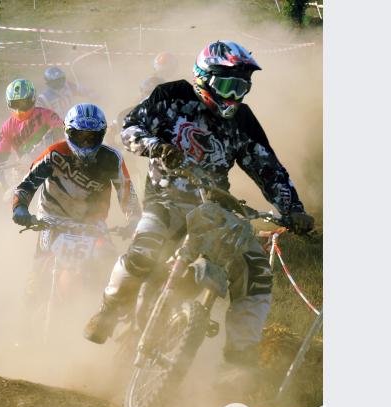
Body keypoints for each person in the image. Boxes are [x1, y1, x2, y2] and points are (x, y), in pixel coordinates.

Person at [83, 41, 315, 377]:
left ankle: (238, 366)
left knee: (257, 274)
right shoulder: (172, 95)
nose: (233, 96)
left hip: (214, 208)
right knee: (144, 251)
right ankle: (109, 309)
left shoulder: (243, 121)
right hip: (167, 198)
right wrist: (157, 147)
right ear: (203, 78)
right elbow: (128, 128)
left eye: (241, 87)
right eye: (226, 85)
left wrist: (294, 209)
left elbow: (269, 169)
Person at [12, 103, 141, 332]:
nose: (85, 143)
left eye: (92, 137)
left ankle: (115, 321)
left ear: (101, 136)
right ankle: (21, 326)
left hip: (92, 224)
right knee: (36, 274)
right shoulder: (54, 153)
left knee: (110, 266)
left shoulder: (112, 159)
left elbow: (127, 194)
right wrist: (20, 207)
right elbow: (27, 184)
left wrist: (133, 219)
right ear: (68, 132)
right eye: (80, 136)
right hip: (51, 219)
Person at [0, 79, 63, 191]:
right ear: (9, 103)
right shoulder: (7, 127)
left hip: (53, 162)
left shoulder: (47, 114)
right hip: (24, 169)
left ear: (32, 99)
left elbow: (60, 132)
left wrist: (36, 154)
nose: (19, 109)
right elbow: (1, 152)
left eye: (24, 103)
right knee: (11, 195)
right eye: (15, 104)